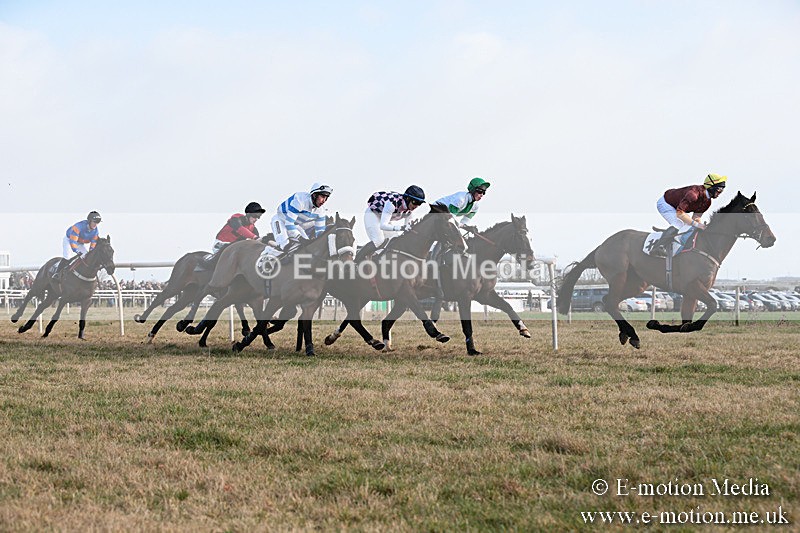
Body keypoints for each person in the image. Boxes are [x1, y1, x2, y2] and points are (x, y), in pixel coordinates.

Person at [652, 173, 727, 256]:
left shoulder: (707, 202)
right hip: (666, 203)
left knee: (689, 226)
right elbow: (680, 213)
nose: (720, 192)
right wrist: (696, 224)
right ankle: (659, 246)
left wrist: (700, 225)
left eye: (722, 190)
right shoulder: (693, 195)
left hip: (677, 207)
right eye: (719, 189)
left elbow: (696, 217)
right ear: (711, 187)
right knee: (678, 224)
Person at [356, 185, 426, 261]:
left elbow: (407, 230)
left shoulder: (410, 212)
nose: (416, 206)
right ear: (407, 198)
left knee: (395, 241)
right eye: (415, 202)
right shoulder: (392, 204)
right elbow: (383, 226)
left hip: (384, 218)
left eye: (420, 203)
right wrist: (401, 228)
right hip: (373, 215)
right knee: (378, 241)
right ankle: (355, 261)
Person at [270, 182, 332, 251]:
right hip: (280, 221)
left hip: (296, 226)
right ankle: (266, 254)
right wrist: (300, 238)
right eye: (323, 197)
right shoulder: (300, 201)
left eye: (326, 198)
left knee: (307, 247)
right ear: (314, 195)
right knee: (284, 246)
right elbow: (289, 224)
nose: (324, 201)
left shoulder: (321, 211)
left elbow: (320, 233)